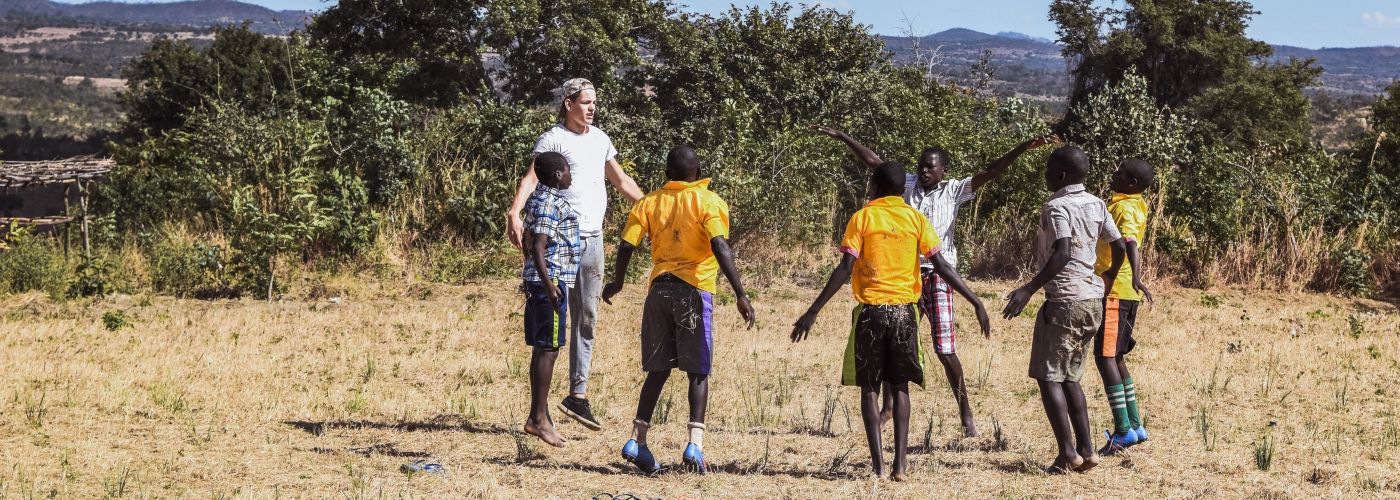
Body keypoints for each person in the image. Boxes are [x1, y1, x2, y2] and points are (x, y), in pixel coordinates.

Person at [812, 125, 1053, 436]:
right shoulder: (906, 184)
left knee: (944, 348)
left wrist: (1022, 147)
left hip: (940, 275)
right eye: (921, 165)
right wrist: (842, 137)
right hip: (906, 275)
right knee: (894, 343)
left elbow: (992, 171)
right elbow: (875, 163)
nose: (924, 170)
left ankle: (965, 412)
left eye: (930, 166)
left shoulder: (955, 189)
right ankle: (888, 408)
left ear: (944, 169)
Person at [790, 162, 991, 481]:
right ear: (902, 190)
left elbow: (844, 268)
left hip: (871, 312)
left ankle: (878, 466)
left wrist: (813, 310)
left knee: (869, 388)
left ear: (874, 187)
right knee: (900, 389)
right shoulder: (915, 218)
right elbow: (940, 264)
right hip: (904, 313)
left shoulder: (863, 217)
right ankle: (900, 466)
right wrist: (975, 300)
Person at [602, 145, 756, 475]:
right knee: (698, 370)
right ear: (698, 173)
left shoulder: (648, 203)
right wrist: (741, 293)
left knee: (658, 369)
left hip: (659, 289)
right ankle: (695, 446)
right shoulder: (708, 201)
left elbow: (627, 244)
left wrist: (617, 282)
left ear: (666, 174)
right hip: (694, 290)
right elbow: (719, 244)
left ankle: (637, 441)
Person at [506, 78, 644, 431]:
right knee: (554, 323)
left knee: (588, 317)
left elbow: (622, 181)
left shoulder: (600, 140)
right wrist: (514, 212)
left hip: (593, 240)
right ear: (569, 103)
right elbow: (531, 179)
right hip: (560, 243)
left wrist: (654, 210)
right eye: (586, 102)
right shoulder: (554, 139)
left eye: (594, 102)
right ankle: (539, 412)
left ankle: (577, 396)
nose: (592, 108)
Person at [1001, 145, 1126, 474]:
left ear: (1059, 176)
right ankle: (1087, 449)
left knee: (1048, 377)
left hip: (1065, 303)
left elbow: (1063, 252)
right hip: (1091, 301)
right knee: (1071, 377)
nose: (1044, 174)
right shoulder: (1097, 204)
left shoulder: (1056, 206)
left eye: (1047, 170)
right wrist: (1108, 276)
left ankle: (1067, 453)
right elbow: (1118, 244)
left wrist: (1028, 288)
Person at [1094, 158, 1154, 455]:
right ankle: (1135, 425)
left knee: (1105, 358)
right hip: (1125, 291)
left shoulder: (1126, 207)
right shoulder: (1134, 202)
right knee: (1116, 357)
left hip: (1116, 290)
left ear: (1132, 184)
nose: (1113, 174)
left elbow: (1129, 242)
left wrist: (1137, 277)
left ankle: (1122, 430)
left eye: (1119, 173)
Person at [519, 152, 579, 448]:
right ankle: (539, 419)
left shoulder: (534, 198)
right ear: (558, 175)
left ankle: (538, 415)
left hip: (541, 280)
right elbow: (539, 246)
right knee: (550, 348)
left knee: (544, 347)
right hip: (550, 281)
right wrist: (549, 284)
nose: (570, 176)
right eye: (568, 171)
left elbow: (528, 241)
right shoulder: (550, 203)